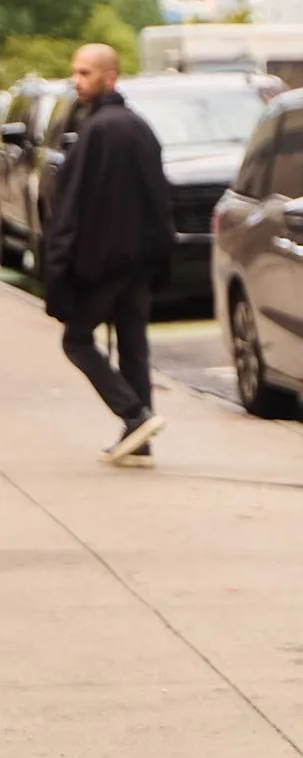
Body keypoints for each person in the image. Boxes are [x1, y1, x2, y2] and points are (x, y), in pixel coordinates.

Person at [45, 43, 174, 466]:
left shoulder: (98, 131)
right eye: (75, 73)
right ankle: (142, 442)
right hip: (136, 261)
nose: (77, 81)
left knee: (78, 340)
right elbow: (160, 199)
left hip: (100, 264)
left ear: (110, 78)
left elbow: (72, 206)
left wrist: (58, 266)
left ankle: (135, 416)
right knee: (133, 346)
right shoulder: (139, 127)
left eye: (85, 73)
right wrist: (160, 256)